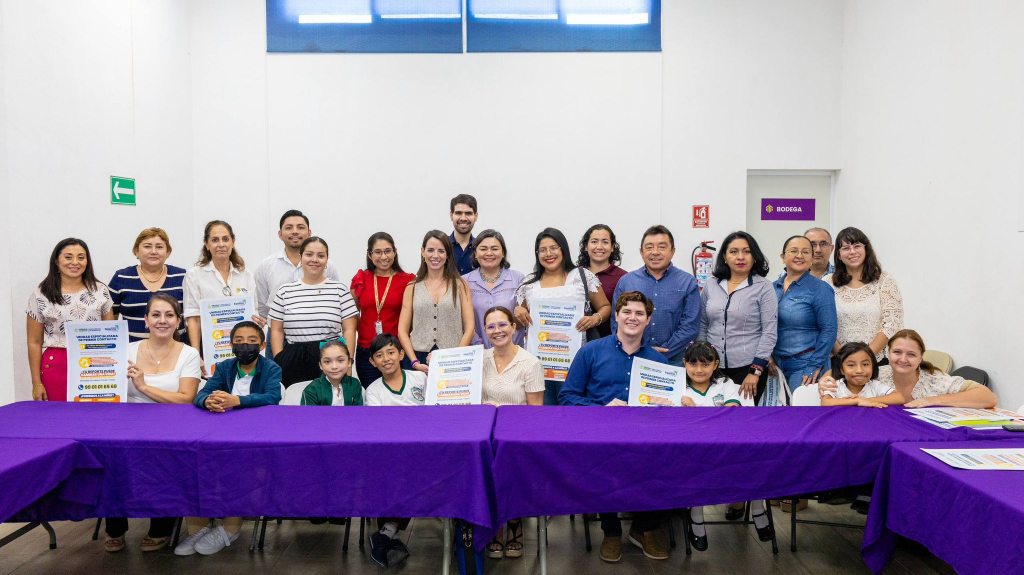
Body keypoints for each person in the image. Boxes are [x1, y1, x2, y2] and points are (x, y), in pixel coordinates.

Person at [559, 291, 670, 562]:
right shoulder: (590, 352)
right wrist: (601, 409)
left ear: (648, 320)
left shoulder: (660, 363)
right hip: (600, 434)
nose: (632, 318)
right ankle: (611, 531)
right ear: (617, 317)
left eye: (639, 314)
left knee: (671, 461)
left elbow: (670, 410)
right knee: (604, 462)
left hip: (645, 437)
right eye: (627, 312)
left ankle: (643, 528)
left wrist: (669, 403)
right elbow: (567, 396)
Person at [103, 294, 201, 553]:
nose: (162, 320)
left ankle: (160, 527)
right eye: (156, 315)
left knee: (165, 462)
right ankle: (115, 527)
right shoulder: (126, 351)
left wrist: (143, 387)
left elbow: (185, 399)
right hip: (128, 425)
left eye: (169, 315)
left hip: (172, 427)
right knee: (112, 458)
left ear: (178, 321)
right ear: (145, 320)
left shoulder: (189, 353)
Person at [178, 321, 281, 557]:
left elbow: (272, 396)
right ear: (231, 344)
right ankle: (198, 527)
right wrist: (207, 401)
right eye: (239, 341)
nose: (245, 346)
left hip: (255, 437)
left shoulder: (271, 368)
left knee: (238, 470)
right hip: (220, 433)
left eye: (252, 342)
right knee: (194, 464)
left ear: (263, 345)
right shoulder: (224, 367)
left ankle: (230, 529)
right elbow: (202, 393)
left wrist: (237, 400)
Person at [677, 341, 763, 552]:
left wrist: (697, 411)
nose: (699, 370)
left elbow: (731, 411)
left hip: (727, 446)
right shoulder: (677, 387)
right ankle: (696, 518)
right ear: (684, 363)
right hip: (692, 449)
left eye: (705, 365)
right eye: (693, 364)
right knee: (693, 470)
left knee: (757, 461)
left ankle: (759, 511)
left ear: (715, 365)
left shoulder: (726, 384)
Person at [513, 228, 611, 404]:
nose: (548, 254)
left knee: (574, 413)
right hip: (539, 363)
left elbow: (605, 306)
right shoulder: (529, 284)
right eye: (542, 250)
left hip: (577, 361)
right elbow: (519, 324)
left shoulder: (582, 276)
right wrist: (517, 312)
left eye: (554, 248)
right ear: (537, 254)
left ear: (563, 249)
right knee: (545, 414)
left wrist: (594, 319)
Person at [479, 305, 542, 558]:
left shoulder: (530, 363)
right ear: (485, 331)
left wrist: (499, 407)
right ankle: (492, 524)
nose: (497, 331)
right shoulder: (478, 359)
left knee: (508, 461)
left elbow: (535, 411)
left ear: (514, 327)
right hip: (483, 435)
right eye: (491, 326)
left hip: (516, 435)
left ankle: (514, 522)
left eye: (503, 324)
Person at [363, 334, 425, 567]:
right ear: (372, 362)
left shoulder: (420, 378)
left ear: (401, 355)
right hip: (393, 451)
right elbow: (380, 428)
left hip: (425, 446)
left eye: (390, 352)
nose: (386, 359)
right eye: (379, 355)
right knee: (392, 470)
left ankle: (386, 533)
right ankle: (389, 532)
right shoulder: (373, 390)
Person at [26, 238, 115, 402]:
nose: (75, 262)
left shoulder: (100, 291)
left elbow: (110, 333)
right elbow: (34, 341)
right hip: (56, 364)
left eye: (81, 257)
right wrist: (36, 382)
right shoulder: (41, 294)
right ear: (56, 260)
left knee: (94, 418)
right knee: (57, 419)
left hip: (95, 364)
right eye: (68, 257)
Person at [820, 330, 997, 408]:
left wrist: (933, 400)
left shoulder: (934, 379)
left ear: (921, 357)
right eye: (897, 352)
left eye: (911, 354)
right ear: (888, 354)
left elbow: (988, 397)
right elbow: (845, 371)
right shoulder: (877, 374)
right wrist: (825, 379)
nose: (903, 359)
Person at [698, 231, 778, 403]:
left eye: (746, 251)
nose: (740, 257)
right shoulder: (711, 284)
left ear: (755, 256)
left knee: (743, 421)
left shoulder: (764, 287)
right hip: (713, 366)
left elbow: (769, 331)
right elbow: (703, 324)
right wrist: (702, 360)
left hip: (748, 368)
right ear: (725, 257)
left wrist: (755, 371)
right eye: (733, 251)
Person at [268, 237, 358, 386]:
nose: (314, 259)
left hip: (330, 357)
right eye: (309, 254)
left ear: (327, 260)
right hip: (293, 358)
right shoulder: (285, 291)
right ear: (301, 257)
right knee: (296, 403)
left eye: (321, 256)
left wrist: (348, 361)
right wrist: (280, 358)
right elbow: (276, 330)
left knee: (330, 404)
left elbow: (349, 330)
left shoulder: (340, 290)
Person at [612, 225, 700, 366]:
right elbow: (616, 322)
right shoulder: (627, 282)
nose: (655, 252)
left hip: (674, 360)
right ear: (641, 252)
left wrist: (663, 351)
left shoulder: (687, 282)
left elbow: (690, 326)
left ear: (673, 252)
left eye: (662, 247)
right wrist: (641, 350)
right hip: (632, 357)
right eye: (649, 247)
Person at [183, 220, 262, 377]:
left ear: (233, 242)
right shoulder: (194, 275)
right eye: (215, 239)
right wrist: (195, 355)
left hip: (244, 348)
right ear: (206, 244)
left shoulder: (246, 275)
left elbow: (254, 314)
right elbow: (193, 318)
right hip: (210, 349)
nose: (221, 244)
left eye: (225, 239)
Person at [397, 231, 475, 373]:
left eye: (441, 251)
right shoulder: (412, 287)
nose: (435, 256)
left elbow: (470, 327)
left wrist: (456, 357)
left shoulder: (460, 285)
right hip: (417, 357)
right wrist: (414, 362)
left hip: (453, 357)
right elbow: (402, 330)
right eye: (430, 250)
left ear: (448, 255)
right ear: (422, 252)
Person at [825, 227, 903, 362]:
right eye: (846, 248)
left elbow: (891, 324)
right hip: (838, 361)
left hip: (876, 361)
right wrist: (845, 359)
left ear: (866, 250)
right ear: (838, 255)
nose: (852, 252)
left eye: (857, 246)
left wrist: (864, 358)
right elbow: (824, 323)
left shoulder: (885, 281)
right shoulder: (827, 283)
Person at [350, 232, 415, 387]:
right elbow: (353, 317)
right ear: (369, 255)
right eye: (378, 252)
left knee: (399, 398)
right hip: (367, 351)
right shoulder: (361, 279)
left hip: (397, 352)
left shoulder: (408, 280)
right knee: (373, 396)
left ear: (395, 252)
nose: (383, 257)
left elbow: (412, 319)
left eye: (387, 251)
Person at [772, 235, 837, 389]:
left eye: (806, 252)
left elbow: (829, 329)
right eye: (794, 251)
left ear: (812, 258)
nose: (799, 256)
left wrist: (814, 364)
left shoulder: (820, 288)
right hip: (776, 366)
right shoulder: (771, 288)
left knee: (801, 412)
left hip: (806, 364)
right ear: (783, 257)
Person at [253, 210, 340, 319]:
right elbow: (262, 307)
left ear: (309, 233)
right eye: (289, 228)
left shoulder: (327, 266)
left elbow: (335, 301)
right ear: (280, 234)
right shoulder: (265, 266)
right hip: (277, 331)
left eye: (300, 227)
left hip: (318, 331)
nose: (295, 231)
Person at [108, 227, 187, 341]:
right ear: (136, 251)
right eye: (147, 246)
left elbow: (192, 315)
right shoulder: (121, 277)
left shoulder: (182, 276)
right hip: (132, 353)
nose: (153, 251)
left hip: (176, 349)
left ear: (168, 252)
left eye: (159, 247)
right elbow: (110, 320)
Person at [463, 230, 525, 349]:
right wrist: (480, 349)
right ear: (475, 253)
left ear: (503, 253)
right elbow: (463, 322)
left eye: (495, 249)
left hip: (512, 353)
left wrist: (507, 347)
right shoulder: (464, 282)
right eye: (483, 249)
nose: (489, 253)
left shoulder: (518, 279)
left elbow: (521, 320)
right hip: (477, 353)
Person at [577, 224, 627, 338]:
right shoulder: (574, 274)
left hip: (611, 340)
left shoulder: (624, 277)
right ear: (586, 246)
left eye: (605, 242)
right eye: (594, 241)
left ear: (612, 247)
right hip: (577, 339)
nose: (599, 247)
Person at [819, 342, 903, 407]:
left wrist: (867, 400)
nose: (859, 370)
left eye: (865, 364)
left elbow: (900, 397)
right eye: (851, 365)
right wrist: (857, 401)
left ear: (873, 367)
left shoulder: (875, 386)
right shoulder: (835, 385)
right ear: (842, 370)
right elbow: (825, 402)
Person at [301, 338, 363, 406]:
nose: (334, 367)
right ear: (320, 365)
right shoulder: (311, 390)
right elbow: (308, 415)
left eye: (340, 360)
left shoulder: (355, 384)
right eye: (327, 361)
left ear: (349, 362)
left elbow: (358, 413)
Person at [449, 194, 479, 275]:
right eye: (458, 213)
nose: (463, 218)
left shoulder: (481, 248)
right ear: (451, 216)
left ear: (476, 216)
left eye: (468, 213)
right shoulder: (441, 246)